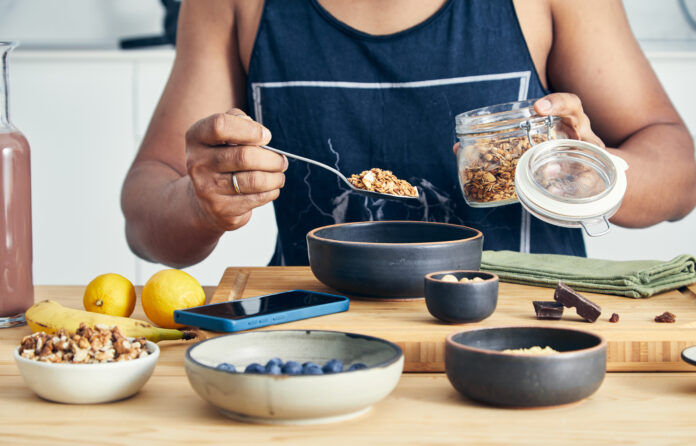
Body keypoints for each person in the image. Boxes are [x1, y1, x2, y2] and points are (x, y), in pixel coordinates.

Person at [121, 0, 696, 267]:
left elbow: (679, 167)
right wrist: (198, 204)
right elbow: (147, 217)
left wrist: (593, 175)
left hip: (524, 343)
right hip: (317, 343)